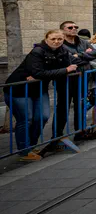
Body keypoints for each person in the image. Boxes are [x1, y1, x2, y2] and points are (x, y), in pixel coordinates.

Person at [4, 30, 77, 161]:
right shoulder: (38, 51)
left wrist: (53, 72)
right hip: (19, 89)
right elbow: (39, 72)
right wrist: (64, 70)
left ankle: (31, 146)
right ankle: (24, 151)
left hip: (39, 89)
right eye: (53, 39)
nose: (56, 42)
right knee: (26, 119)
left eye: (59, 39)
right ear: (46, 39)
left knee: (42, 117)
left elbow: (71, 65)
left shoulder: (63, 51)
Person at [54, 21, 96, 141]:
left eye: (75, 27)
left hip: (82, 79)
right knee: (63, 107)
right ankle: (57, 136)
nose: (74, 29)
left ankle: (80, 132)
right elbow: (68, 60)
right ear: (63, 30)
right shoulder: (60, 43)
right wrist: (84, 57)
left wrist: (79, 56)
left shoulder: (82, 41)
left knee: (81, 105)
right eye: (70, 27)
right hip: (66, 80)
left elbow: (95, 53)